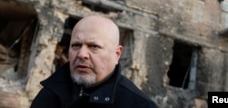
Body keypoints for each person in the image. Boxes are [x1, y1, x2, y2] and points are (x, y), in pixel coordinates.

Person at [30, 15, 158, 108]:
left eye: (94, 47)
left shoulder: (139, 105)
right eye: (76, 45)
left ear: (117, 54)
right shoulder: (51, 92)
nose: (81, 54)